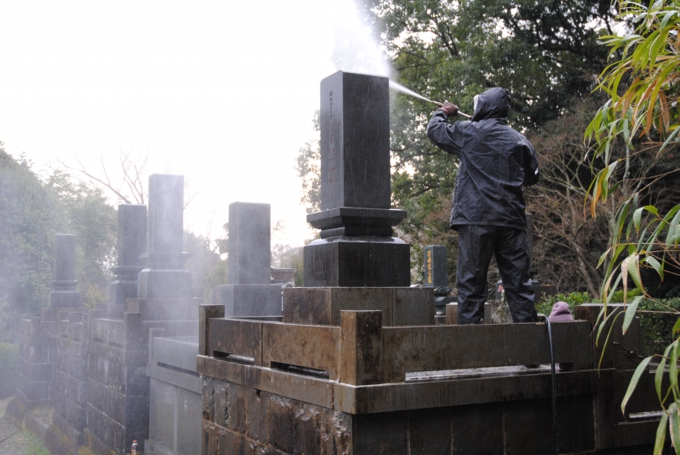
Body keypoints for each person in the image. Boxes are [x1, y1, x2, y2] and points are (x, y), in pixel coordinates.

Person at [426, 87, 539, 324]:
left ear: (483, 108)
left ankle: (469, 349)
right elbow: (531, 177)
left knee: (471, 284)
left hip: (475, 218)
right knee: (519, 285)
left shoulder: (469, 132)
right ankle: (532, 351)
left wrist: (443, 111)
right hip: (511, 221)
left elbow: (435, 131)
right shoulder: (520, 140)